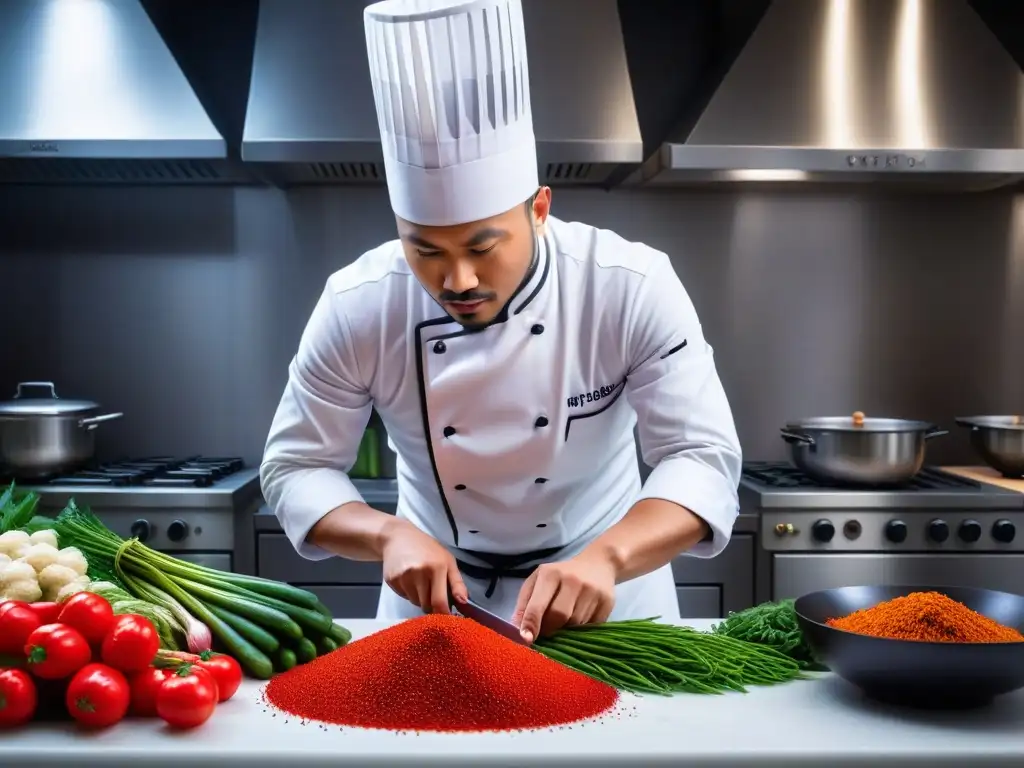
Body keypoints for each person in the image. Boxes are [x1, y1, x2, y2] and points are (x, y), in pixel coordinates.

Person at [260, 0, 742, 644]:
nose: (456, 279)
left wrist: (609, 557)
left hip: (609, 607)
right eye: (425, 249)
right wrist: (386, 533)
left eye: (483, 247)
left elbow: (701, 458)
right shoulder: (360, 302)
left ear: (540, 209)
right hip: (433, 615)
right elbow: (294, 468)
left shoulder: (628, 285)